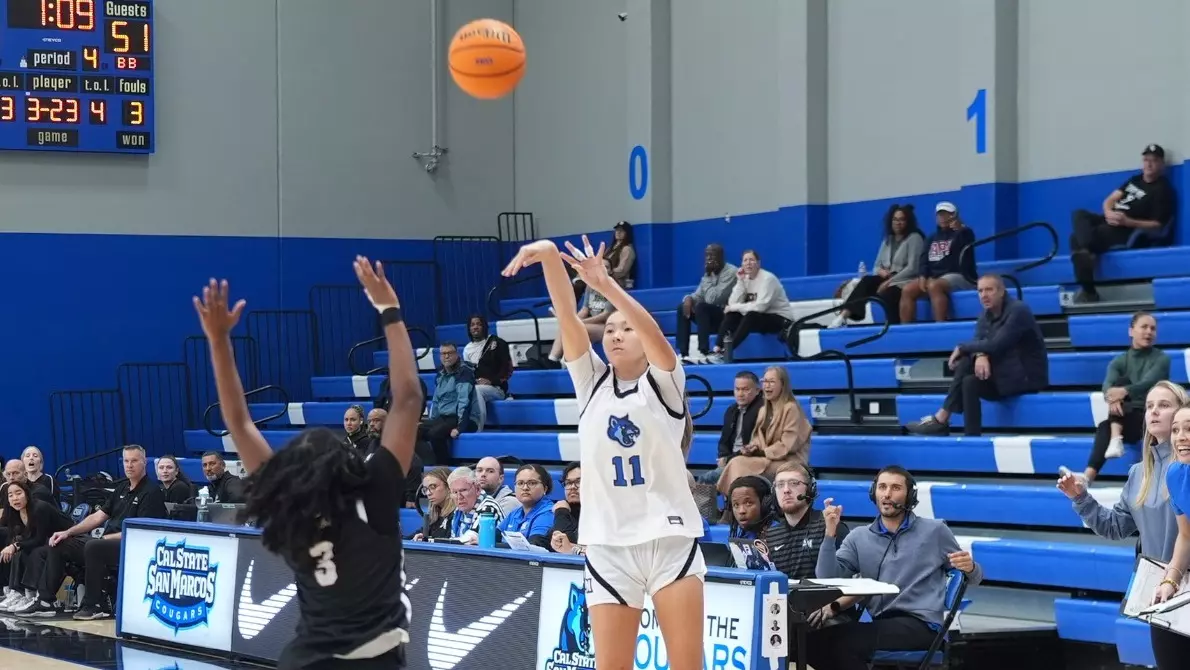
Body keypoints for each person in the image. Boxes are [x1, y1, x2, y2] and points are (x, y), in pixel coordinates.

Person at [194, 258, 422, 670]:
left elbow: (239, 424)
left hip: (304, 660)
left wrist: (218, 341)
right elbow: (407, 397)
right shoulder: (374, 496)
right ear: (348, 464)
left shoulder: (289, 510)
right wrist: (389, 310)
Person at [502, 234, 705, 670]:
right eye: (609, 329)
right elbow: (567, 317)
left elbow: (653, 332)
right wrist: (549, 255)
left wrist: (607, 285)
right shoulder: (591, 384)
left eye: (625, 328)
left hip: (668, 540)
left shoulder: (665, 382)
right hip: (607, 544)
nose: (615, 335)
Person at [813, 466, 982, 670]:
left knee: (843, 643)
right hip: (883, 624)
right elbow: (827, 577)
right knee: (812, 643)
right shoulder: (859, 537)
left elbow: (973, 577)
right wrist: (829, 534)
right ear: (873, 493)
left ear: (910, 496)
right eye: (882, 487)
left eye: (895, 488)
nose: (887, 494)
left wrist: (970, 568)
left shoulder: (935, 530)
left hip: (923, 625)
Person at [906, 274, 1048, 437]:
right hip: (1004, 375)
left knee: (966, 360)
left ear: (1001, 291)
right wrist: (980, 354)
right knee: (969, 381)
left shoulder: (1018, 311)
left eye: (989, 290)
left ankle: (941, 418)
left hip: (1025, 378)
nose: (984, 295)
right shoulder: (985, 315)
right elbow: (979, 342)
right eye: (980, 291)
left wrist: (962, 348)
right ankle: (971, 436)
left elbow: (997, 345)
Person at [1070, 144, 1176, 303]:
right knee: (1078, 214)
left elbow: (1157, 224)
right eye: (1146, 160)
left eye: (1154, 160)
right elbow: (1110, 199)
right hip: (1109, 218)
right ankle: (1087, 249)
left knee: (1075, 239)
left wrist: (1128, 221)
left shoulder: (1162, 189)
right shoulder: (1135, 180)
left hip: (1125, 228)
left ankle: (1089, 290)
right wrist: (1108, 212)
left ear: (1161, 164)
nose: (1149, 164)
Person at [1083, 313, 1169, 482]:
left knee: (1120, 387)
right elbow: (1107, 387)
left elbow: (1149, 383)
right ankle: (1086, 478)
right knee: (1104, 426)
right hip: (1128, 417)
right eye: (1144, 327)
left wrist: (1124, 392)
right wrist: (1114, 396)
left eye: (1153, 328)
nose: (1149, 332)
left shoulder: (1162, 359)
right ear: (1131, 331)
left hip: (1151, 415)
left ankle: (1116, 438)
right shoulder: (1119, 361)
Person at [831, 204, 925, 328]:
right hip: (887, 278)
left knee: (889, 293)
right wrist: (880, 271)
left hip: (904, 280)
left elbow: (913, 268)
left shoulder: (915, 238)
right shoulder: (888, 240)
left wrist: (889, 282)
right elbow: (876, 266)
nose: (898, 223)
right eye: (895, 219)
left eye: (902, 219)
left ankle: (893, 327)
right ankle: (843, 316)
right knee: (866, 281)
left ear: (908, 222)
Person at [1149, 403, 1190, 666]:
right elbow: (1186, 535)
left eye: (1189, 429)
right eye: (1175, 430)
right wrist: (1171, 580)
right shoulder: (1176, 474)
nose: (1181, 437)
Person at [898, 202, 976, 324]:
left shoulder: (964, 233)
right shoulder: (932, 237)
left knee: (935, 286)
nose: (942, 218)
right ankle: (905, 328)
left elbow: (968, 237)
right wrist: (923, 275)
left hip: (959, 276)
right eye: (940, 215)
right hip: (935, 277)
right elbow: (924, 259)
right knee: (907, 289)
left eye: (946, 215)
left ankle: (940, 325)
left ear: (954, 216)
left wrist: (961, 227)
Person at [676, 244, 737, 362]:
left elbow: (713, 298)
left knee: (701, 307)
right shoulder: (709, 273)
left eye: (712, 255)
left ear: (721, 256)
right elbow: (698, 295)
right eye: (707, 255)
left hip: (726, 318)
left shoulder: (731, 272)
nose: (709, 259)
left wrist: (709, 276)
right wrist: (688, 298)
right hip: (708, 317)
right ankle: (683, 354)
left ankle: (704, 351)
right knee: (682, 307)